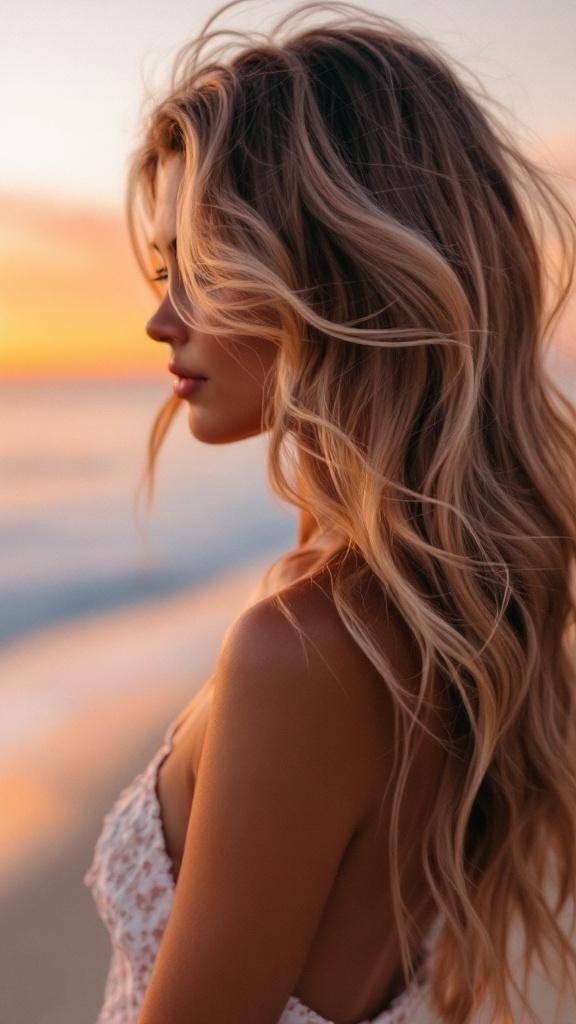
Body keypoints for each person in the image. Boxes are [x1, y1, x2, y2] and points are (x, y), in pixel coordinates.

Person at [83, 2, 576, 1022]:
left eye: (204, 268)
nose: (160, 318)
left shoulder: (302, 649)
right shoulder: (439, 608)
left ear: (335, 275)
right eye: (166, 270)